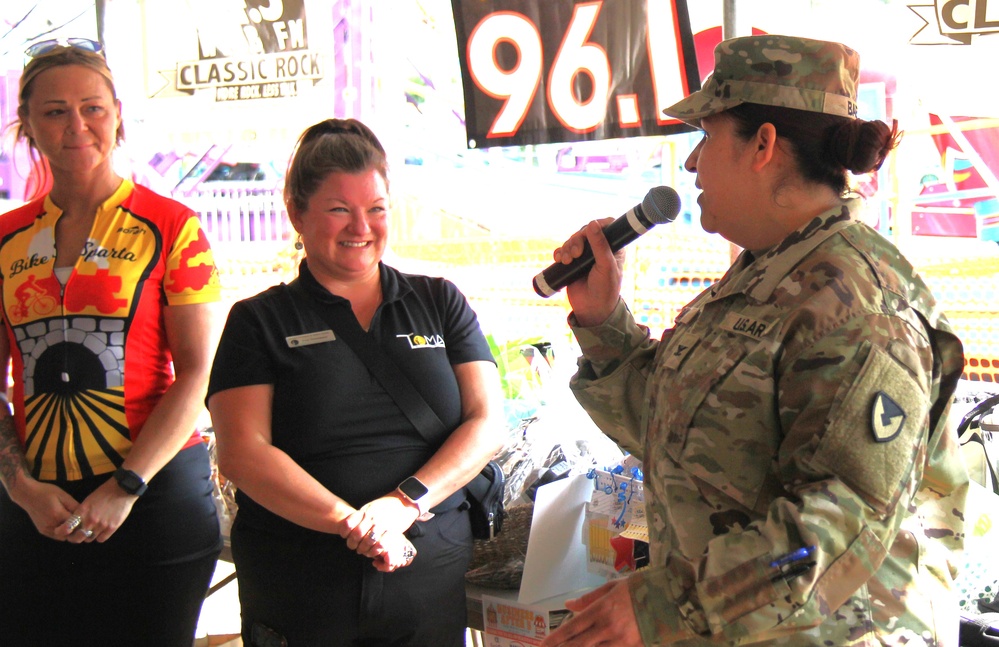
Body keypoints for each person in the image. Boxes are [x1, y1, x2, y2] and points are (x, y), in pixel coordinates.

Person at [542, 35, 968, 647]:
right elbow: (680, 438)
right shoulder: (767, 276)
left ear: (763, 145)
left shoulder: (854, 302)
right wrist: (603, 319)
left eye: (707, 137)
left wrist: (663, 605)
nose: (690, 164)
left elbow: (844, 521)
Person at [206, 117, 504, 646]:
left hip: (425, 574)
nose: (360, 226)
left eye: (376, 209)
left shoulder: (439, 301)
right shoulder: (260, 321)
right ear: (297, 212)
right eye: (339, 209)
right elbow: (243, 452)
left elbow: (486, 424)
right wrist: (355, 524)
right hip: (301, 579)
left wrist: (403, 503)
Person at [0, 40, 223, 646]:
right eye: (54, 111)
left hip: (152, 500)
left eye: (92, 107)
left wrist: (125, 486)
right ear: (28, 125)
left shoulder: (172, 225)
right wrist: (22, 488)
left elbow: (198, 375)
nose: (77, 126)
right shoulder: (6, 239)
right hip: (33, 503)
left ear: (117, 114)